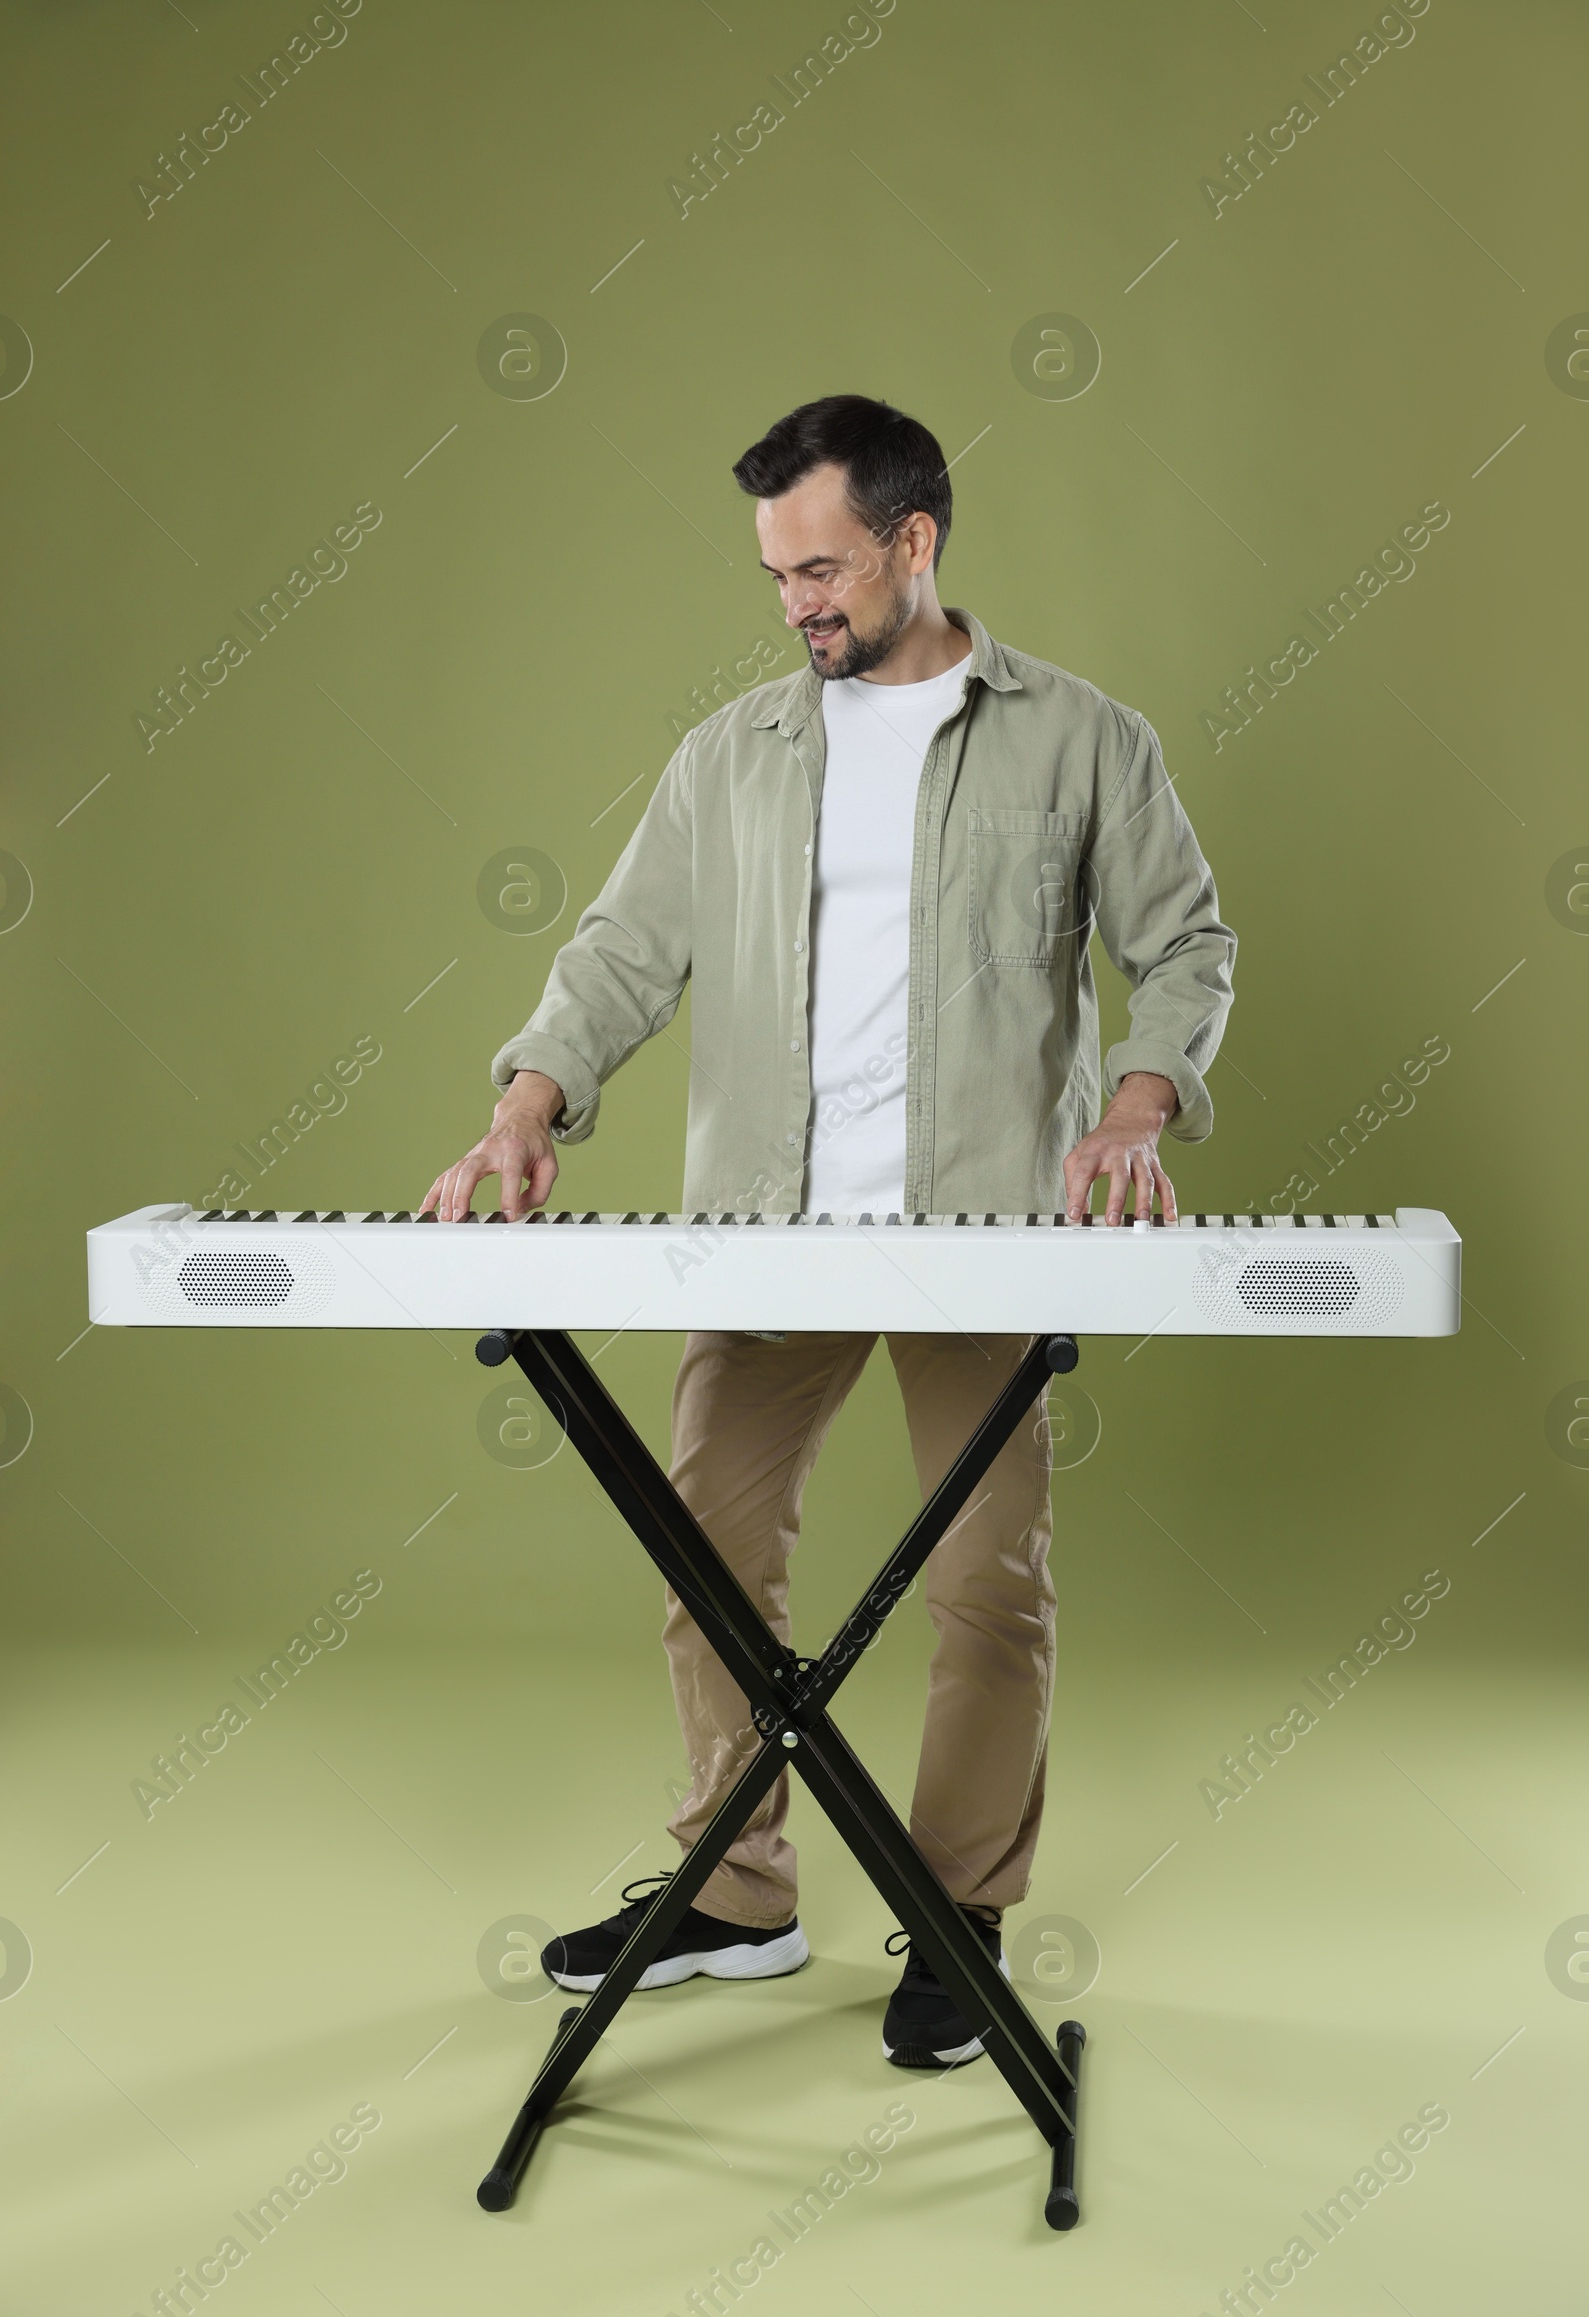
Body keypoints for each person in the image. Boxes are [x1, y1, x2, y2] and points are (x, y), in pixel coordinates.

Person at [423, 394, 1236, 2067]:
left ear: (913, 542)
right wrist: (526, 1099)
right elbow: (620, 955)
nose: (794, 600)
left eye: (819, 567)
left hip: (987, 1231)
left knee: (986, 1585)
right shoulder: (731, 755)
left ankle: (959, 1916)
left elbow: (1187, 945)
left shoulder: (1087, 740)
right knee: (703, 1559)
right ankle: (735, 1896)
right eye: (775, 573)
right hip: (762, 1233)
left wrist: (1141, 1100)